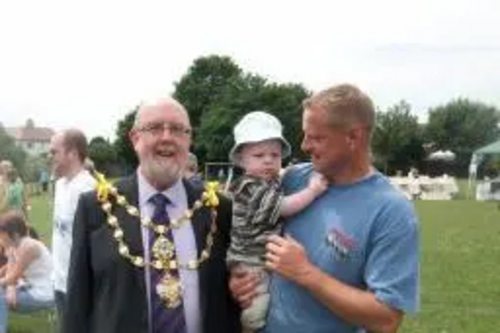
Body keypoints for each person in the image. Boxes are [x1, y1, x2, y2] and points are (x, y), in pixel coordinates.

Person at [230, 84, 419, 333]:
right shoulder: (293, 179)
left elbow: (386, 320)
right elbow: (245, 226)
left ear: (354, 137)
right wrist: (237, 279)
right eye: (305, 134)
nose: (304, 146)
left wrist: (306, 273)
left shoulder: (392, 211)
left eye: (316, 137)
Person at [62, 98, 241, 333]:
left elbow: (236, 288)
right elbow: (77, 301)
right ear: (135, 139)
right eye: (155, 128)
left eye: (178, 129)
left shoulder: (218, 208)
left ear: (188, 141)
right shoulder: (95, 207)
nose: (167, 137)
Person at [227, 111, 327, 332]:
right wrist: (312, 191)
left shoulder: (268, 182)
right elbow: (283, 206)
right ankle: (250, 327)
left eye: (274, 154)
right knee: (256, 301)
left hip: (261, 256)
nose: (268, 160)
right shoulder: (250, 187)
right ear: (241, 160)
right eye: (259, 155)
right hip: (251, 260)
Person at [48, 129, 97, 322]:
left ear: (73, 153)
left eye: (54, 152)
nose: (49, 157)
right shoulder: (60, 185)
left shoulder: (90, 190)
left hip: (80, 287)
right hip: (59, 281)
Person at [0, 211, 54, 333]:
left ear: (14, 234)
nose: (0, 238)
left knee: (0, 297)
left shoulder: (29, 247)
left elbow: (12, 277)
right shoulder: (13, 246)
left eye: (2, 234)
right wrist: (11, 288)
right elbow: (10, 272)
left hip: (43, 294)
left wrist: (10, 286)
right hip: (29, 287)